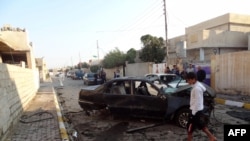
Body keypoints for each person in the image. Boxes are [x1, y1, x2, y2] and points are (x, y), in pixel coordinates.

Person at [186, 72, 216, 141]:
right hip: (197, 111)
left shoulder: (197, 88)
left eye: (188, 80)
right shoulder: (197, 85)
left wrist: (193, 113)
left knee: (189, 128)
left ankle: (211, 137)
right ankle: (212, 137)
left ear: (193, 79)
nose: (188, 82)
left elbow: (198, 102)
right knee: (200, 125)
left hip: (195, 111)